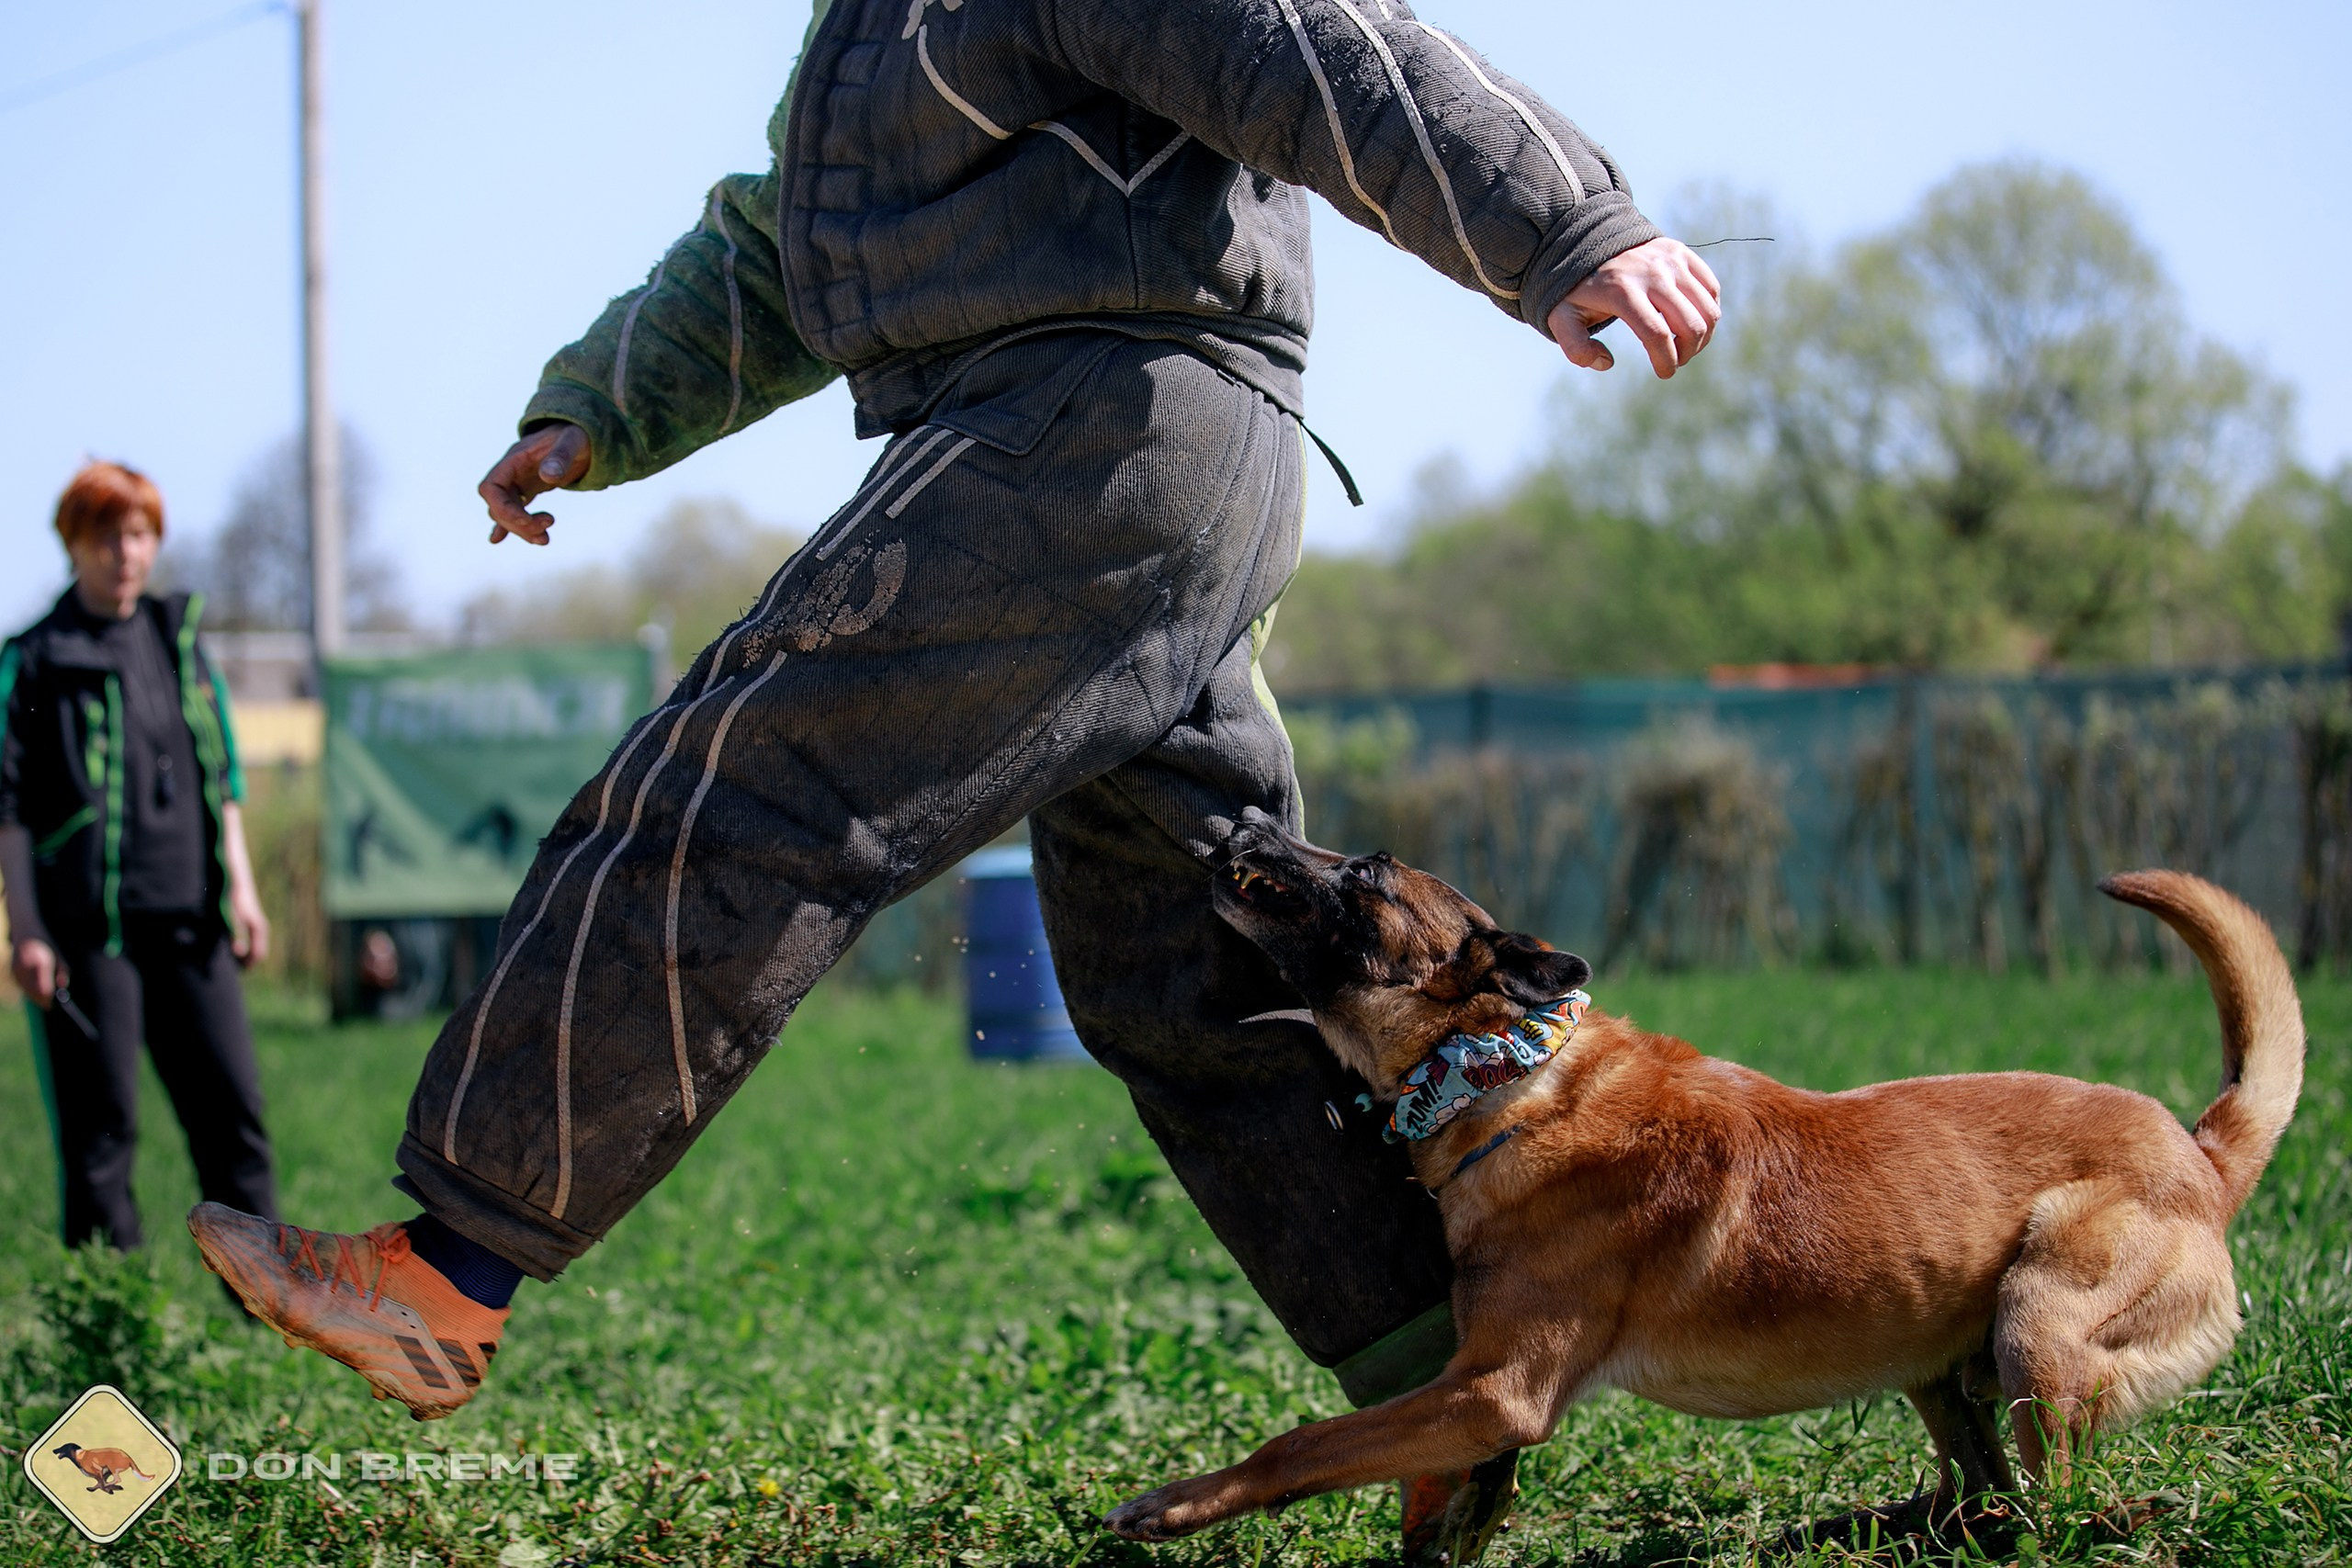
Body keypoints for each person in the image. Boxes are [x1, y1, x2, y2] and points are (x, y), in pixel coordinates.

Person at [192, 0, 1717, 1554]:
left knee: (741, 783)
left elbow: (1313, 47)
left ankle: (450, 1268)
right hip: (1136, 462)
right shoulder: (874, 34)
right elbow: (788, 242)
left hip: (1090, 428)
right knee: (1200, 961)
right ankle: (1441, 1392)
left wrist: (1562, 221)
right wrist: (600, 405)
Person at [2, 460, 277, 1258]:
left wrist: (247, 897)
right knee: (103, 1131)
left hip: (193, 926)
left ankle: (262, 1315)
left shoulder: (181, 644)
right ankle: (111, 1323)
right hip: (89, 937)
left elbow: (223, 779)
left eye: (139, 534)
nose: (125, 552)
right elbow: (8, 808)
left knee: (234, 1115)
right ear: (73, 544)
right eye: (107, 536)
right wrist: (26, 927)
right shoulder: (35, 658)